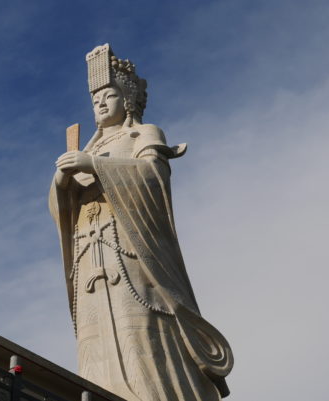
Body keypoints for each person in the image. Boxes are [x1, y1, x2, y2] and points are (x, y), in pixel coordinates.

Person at [49, 44, 233, 401]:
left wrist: (95, 166)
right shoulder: (88, 147)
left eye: (109, 95)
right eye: (95, 100)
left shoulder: (144, 134)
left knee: (139, 329)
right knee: (94, 338)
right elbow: (62, 206)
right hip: (90, 254)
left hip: (132, 250)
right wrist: (61, 181)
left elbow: (153, 177)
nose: (100, 104)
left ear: (128, 99)